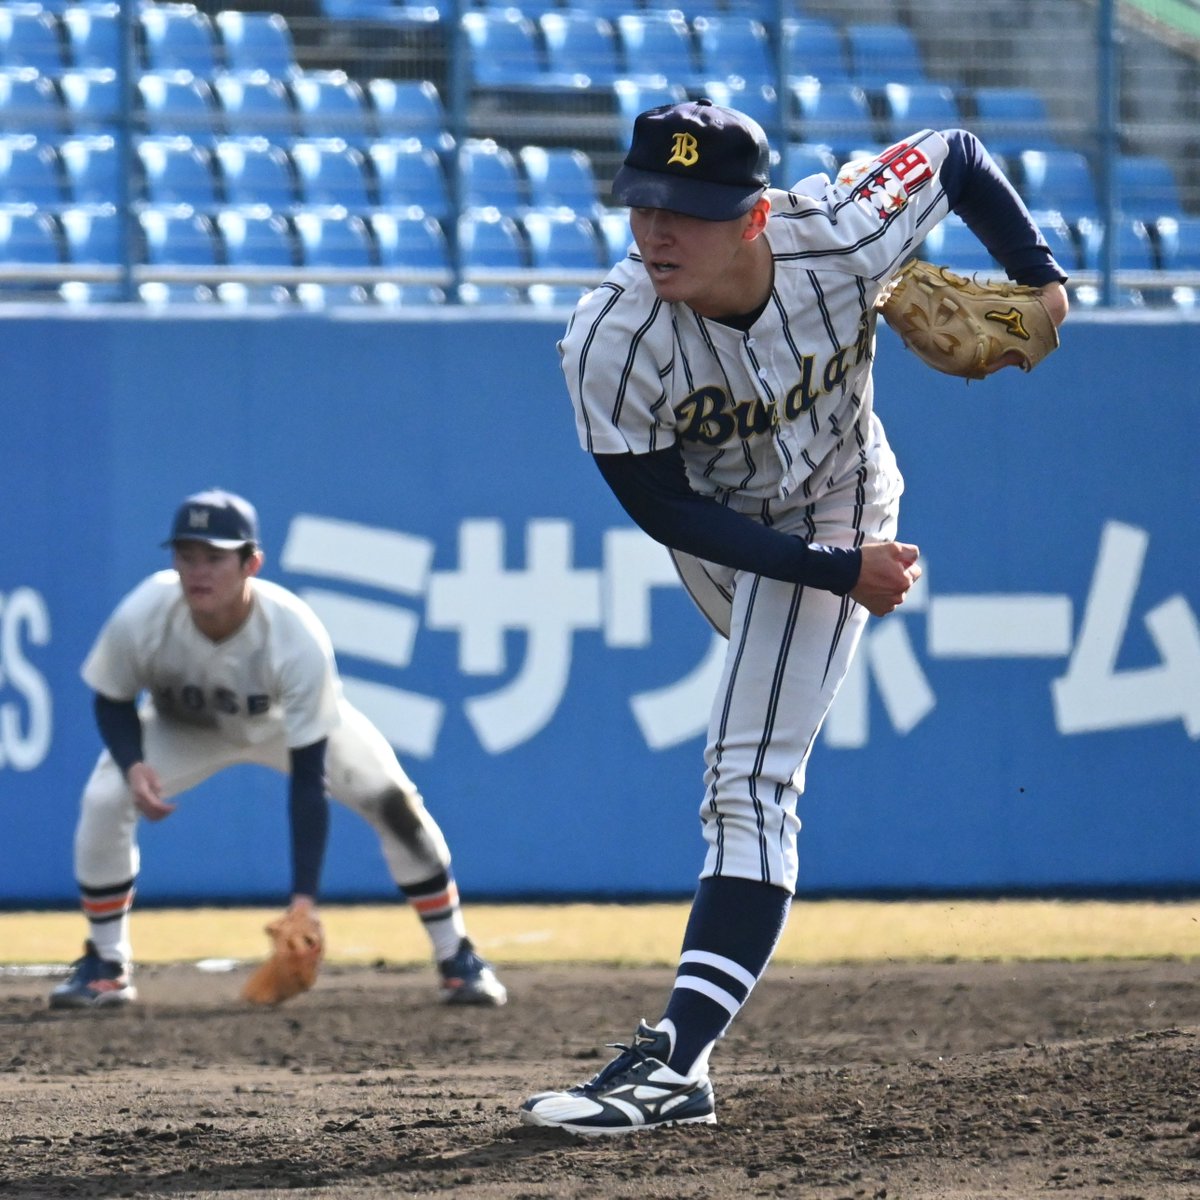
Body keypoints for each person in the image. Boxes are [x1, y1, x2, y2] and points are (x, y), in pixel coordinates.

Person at [519, 100, 1068, 1134]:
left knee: (749, 774)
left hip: (840, 496)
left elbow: (954, 153)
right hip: (721, 534)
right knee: (753, 739)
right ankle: (684, 1061)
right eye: (644, 205)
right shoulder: (611, 335)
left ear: (755, 215)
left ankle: (678, 1061)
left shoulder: (845, 235)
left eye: (689, 211)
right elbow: (665, 511)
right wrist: (832, 574)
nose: (658, 231)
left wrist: (1041, 276)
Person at [50, 488, 507, 1010]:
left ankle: (457, 955)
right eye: (187, 555)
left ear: (252, 564)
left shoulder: (293, 632)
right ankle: (106, 965)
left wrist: (303, 902)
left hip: (281, 726)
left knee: (392, 801)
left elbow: (309, 776)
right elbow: (112, 698)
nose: (198, 571)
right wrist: (133, 764)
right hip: (184, 727)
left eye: (215, 557)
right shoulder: (146, 611)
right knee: (105, 798)